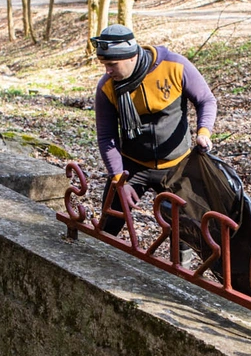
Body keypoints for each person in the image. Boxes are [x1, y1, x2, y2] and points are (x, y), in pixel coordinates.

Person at [92, 24, 217, 234]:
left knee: (187, 234)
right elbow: (107, 137)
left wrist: (203, 132)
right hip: (132, 165)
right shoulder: (107, 87)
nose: (107, 71)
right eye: (104, 64)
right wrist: (118, 180)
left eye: (112, 64)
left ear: (131, 57)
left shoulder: (174, 66)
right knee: (108, 228)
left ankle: (179, 265)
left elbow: (206, 99)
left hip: (177, 165)